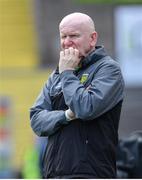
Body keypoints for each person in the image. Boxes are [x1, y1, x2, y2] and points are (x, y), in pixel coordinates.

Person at [30, 12, 125, 178]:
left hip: (91, 173)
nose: (67, 42)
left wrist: (67, 73)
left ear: (92, 38)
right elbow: (36, 120)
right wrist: (66, 115)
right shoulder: (56, 75)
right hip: (53, 173)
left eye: (74, 35)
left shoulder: (108, 70)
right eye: (63, 36)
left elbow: (85, 108)